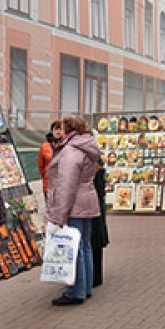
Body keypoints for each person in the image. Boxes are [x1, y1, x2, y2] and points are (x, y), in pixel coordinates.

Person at [46, 116, 101, 305]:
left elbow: (67, 185)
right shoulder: (86, 145)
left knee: (74, 248)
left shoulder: (71, 151)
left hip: (75, 204)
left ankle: (75, 291)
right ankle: (85, 288)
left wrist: (59, 214)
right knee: (85, 245)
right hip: (88, 200)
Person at [92, 157, 108, 287]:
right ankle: (96, 276)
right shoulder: (96, 160)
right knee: (95, 242)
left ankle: (94, 276)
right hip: (96, 205)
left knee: (92, 242)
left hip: (91, 206)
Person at [37, 120, 63, 205]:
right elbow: (41, 165)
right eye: (56, 129)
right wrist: (46, 175)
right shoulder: (45, 146)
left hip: (63, 184)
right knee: (50, 209)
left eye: (60, 129)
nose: (58, 131)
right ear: (52, 131)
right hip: (49, 183)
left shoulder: (67, 145)